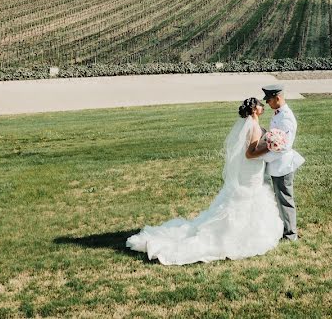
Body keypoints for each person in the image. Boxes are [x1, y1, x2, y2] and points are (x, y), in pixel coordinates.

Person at [126, 98, 283, 265]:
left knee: (241, 198)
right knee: (247, 198)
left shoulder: (247, 124)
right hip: (251, 170)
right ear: (253, 110)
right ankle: (241, 236)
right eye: (260, 104)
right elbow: (250, 153)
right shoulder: (253, 126)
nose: (262, 106)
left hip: (249, 170)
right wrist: (269, 147)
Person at [246, 84, 304, 241]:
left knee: (285, 199)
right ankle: (284, 228)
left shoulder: (286, 117)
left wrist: (262, 155)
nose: (268, 103)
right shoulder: (278, 113)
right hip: (276, 164)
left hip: (282, 165)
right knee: (279, 198)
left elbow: (283, 146)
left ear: (277, 98)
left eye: (269, 100)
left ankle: (291, 234)